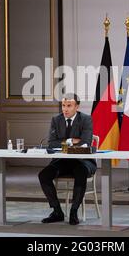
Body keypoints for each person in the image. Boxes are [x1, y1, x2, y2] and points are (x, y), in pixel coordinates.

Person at [38, 93, 95, 225]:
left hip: (82, 161)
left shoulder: (86, 119)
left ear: (77, 107)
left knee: (81, 172)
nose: (65, 109)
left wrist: (64, 142)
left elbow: (85, 142)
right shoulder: (56, 120)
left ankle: (74, 211)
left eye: (69, 106)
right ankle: (57, 211)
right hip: (62, 161)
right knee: (44, 175)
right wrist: (71, 141)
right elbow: (52, 143)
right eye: (63, 106)